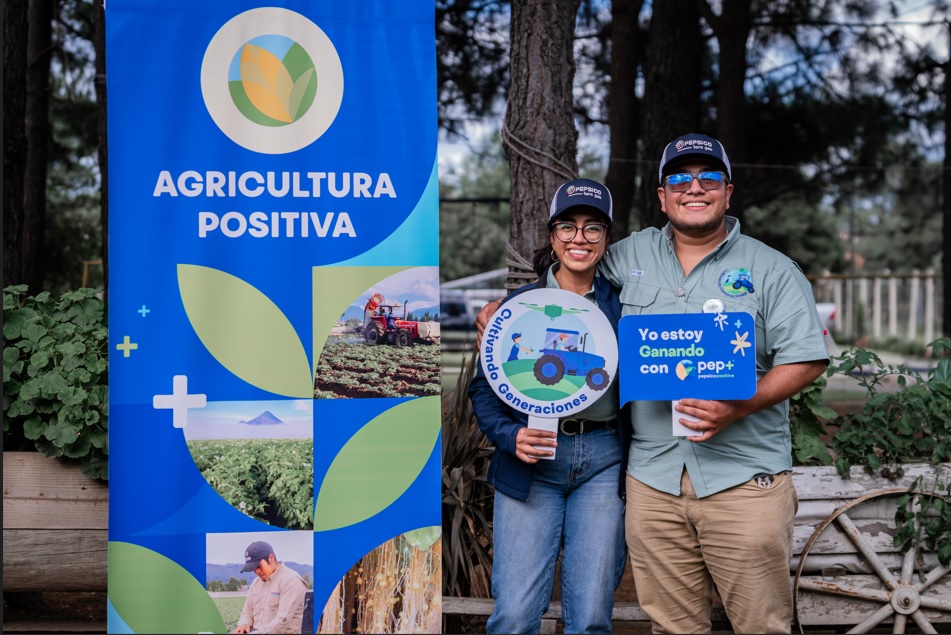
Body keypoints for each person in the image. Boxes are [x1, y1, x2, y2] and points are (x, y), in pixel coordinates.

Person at [477, 134, 829, 634]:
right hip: (653, 481)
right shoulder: (629, 254)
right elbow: (572, 274)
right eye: (679, 179)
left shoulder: (771, 267)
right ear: (661, 196)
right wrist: (507, 307)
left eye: (708, 178)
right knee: (671, 627)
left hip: (742, 479)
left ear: (728, 192)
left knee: (760, 624)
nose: (694, 188)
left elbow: (808, 359)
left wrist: (738, 406)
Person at [468, 177, 631, 634]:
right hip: (531, 461)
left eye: (593, 228)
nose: (580, 238)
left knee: (592, 615)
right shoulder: (516, 307)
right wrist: (510, 436)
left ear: (606, 238)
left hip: (603, 460)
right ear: (551, 236)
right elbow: (483, 389)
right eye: (568, 227)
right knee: (516, 615)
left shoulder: (626, 307)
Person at [231, 540, 307, 634]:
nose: (257, 572)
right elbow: (247, 611)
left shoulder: (291, 580)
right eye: (253, 569)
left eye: (259, 566)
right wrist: (244, 624)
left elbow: (282, 622)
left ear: (271, 558)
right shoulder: (256, 583)